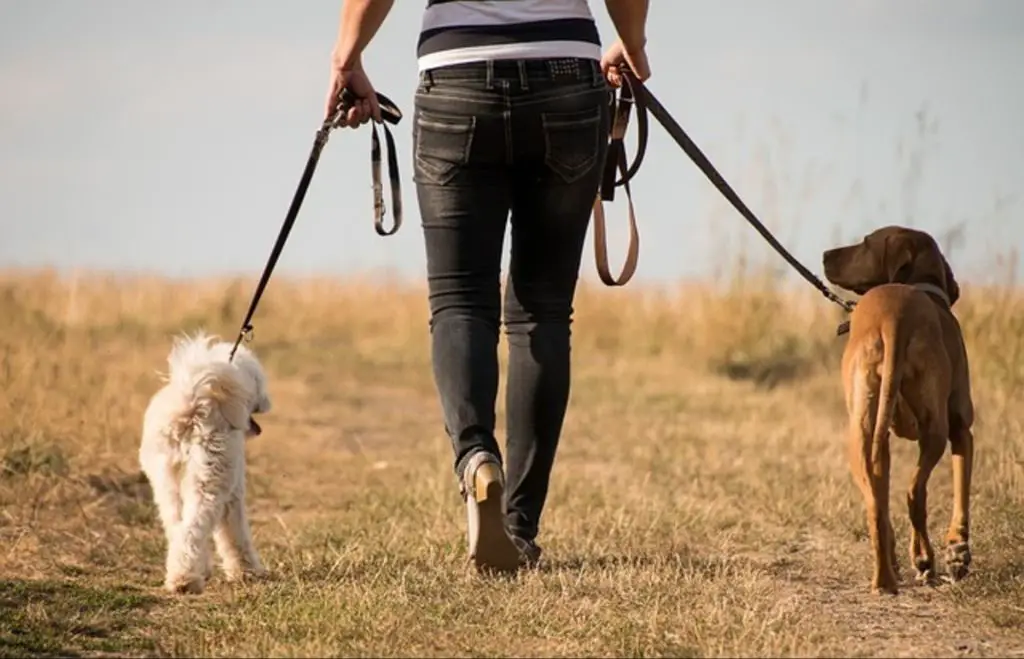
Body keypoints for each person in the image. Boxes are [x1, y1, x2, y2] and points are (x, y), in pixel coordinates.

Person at [326, 0, 651, 574]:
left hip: (458, 75)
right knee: (542, 312)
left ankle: (477, 457)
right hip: (567, 77)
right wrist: (633, 40)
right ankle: (520, 528)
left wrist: (347, 55)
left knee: (460, 300)